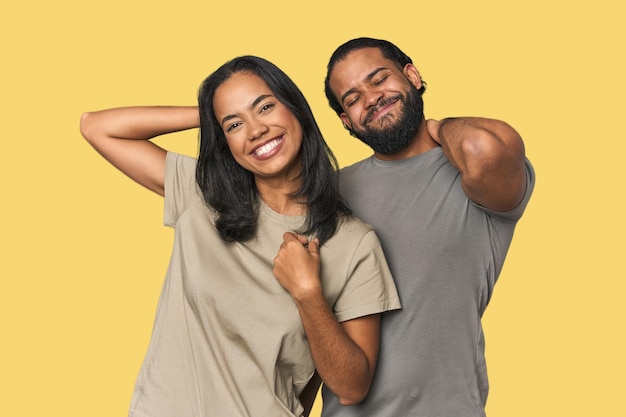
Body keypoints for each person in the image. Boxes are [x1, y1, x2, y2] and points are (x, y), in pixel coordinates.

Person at [79, 55, 400, 417]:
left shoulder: (353, 242)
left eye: (264, 107)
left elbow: (352, 386)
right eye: (234, 124)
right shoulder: (201, 195)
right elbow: (98, 127)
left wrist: (309, 295)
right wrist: (210, 114)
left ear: (295, 108)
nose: (256, 129)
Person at [319, 38, 535, 417]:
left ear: (412, 75)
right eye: (352, 99)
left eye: (379, 79)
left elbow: (483, 149)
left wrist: (438, 126)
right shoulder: (330, 192)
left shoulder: (474, 179)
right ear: (345, 121)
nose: (370, 98)